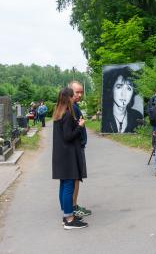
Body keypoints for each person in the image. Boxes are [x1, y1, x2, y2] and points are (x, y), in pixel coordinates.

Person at [52, 87, 88, 229]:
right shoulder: (67, 114)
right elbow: (68, 137)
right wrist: (80, 126)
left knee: (64, 185)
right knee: (68, 186)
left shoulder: (58, 113)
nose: (75, 98)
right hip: (67, 156)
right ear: (68, 98)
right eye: (73, 96)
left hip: (61, 155)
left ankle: (67, 215)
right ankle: (69, 219)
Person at [69, 81, 92, 217]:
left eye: (81, 92)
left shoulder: (74, 106)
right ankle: (73, 206)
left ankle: (73, 205)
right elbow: (72, 130)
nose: (80, 95)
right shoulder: (72, 107)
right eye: (77, 92)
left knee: (76, 178)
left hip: (78, 146)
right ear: (70, 91)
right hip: (76, 147)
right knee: (75, 178)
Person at [102, 66, 143, 133]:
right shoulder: (104, 117)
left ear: (133, 93)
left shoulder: (137, 116)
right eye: (119, 87)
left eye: (129, 89)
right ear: (112, 89)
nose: (124, 94)